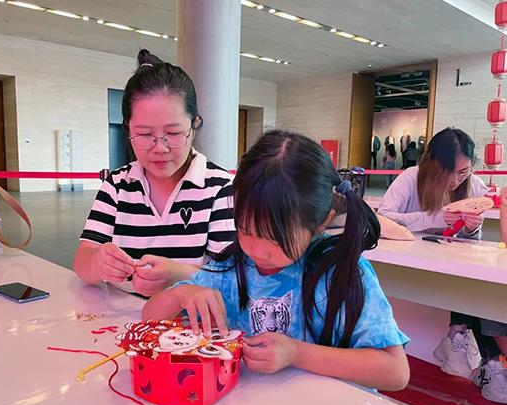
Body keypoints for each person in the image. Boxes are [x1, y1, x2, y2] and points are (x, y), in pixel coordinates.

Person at [143, 130, 410, 391]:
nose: (257, 250)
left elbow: (395, 372)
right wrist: (180, 295)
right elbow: (149, 318)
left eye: (275, 238)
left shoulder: (340, 273)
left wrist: (296, 354)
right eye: (246, 230)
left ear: (321, 221)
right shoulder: (232, 268)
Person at [74, 49, 235, 297]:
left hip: (187, 318)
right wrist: (98, 264)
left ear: (194, 125)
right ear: (128, 129)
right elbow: (83, 260)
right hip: (120, 316)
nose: (160, 147)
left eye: (173, 133)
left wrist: (179, 275)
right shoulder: (117, 186)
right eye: (145, 134)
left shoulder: (221, 188)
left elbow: (232, 277)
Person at [378, 127, 506, 404]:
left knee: (481, 286)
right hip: (410, 265)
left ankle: (464, 340)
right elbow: (382, 217)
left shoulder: (473, 186)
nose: (456, 180)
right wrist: (432, 217)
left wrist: (471, 228)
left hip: (454, 266)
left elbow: (470, 244)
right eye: (451, 172)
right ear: (433, 166)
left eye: (464, 172)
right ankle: (470, 347)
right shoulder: (411, 178)